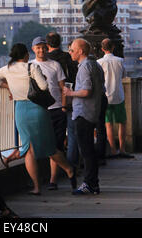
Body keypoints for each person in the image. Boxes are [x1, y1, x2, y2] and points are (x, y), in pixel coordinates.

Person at [0, 43, 77, 195]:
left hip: (21, 109)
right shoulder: (31, 68)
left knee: (28, 148)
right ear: (26, 55)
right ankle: (69, 169)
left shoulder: (7, 69)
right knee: (49, 146)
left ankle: (36, 187)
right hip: (38, 108)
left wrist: (6, 85)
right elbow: (42, 87)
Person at [63, 38, 105, 195]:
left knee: (86, 151)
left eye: (72, 50)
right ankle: (93, 183)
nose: (70, 52)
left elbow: (86, 91)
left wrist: (70, 93)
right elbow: (101, 88)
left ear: (81, 51)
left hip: (83, 113)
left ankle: (89, 183)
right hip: (93, 111)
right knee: (89, 150)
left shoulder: (85, 67)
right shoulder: (96, 65)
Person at [31, 36, 68, 190]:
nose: (41, 50)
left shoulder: (55, 65)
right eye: (38, 47)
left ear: (47, 48)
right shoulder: (29, 66)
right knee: (37, 145)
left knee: (56, 146)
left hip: (57, 109)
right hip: (39, 111)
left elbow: (62, 87)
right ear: (33, 49)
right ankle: (38, 181)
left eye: (43, 47)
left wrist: (64, 106)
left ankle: (53, 180)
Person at [46, 33, 79, 173]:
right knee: (72, 133)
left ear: (47, 45)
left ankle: (56, 170)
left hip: (52, 102)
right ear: (60, 43)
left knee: (51, 136)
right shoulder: (67, 57)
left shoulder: (46, 60)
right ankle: (72, 165)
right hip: (71, 97)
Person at [97, 39, 134, 159]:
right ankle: (122, 149)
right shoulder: (120, 61)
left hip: (105, 96)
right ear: (113, 47)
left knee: (108, 124)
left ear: (102, 49)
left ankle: (112, 150)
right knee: (122, 123)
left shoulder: (99, 62)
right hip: (118, 95)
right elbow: (123, 75)